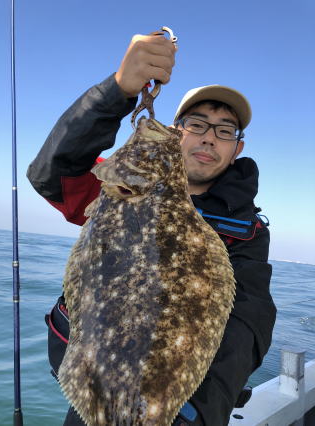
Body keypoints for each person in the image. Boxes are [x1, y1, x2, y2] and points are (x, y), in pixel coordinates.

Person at [27, 33, 276, 426]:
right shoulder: (116, 189)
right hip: (94, 389)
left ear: (237, 150)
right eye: (198, 123)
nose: (210, 136)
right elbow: (50, 173)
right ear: (177, 131)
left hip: (179, 412)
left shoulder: (246, 232)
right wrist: (117, 91)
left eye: (225, 130)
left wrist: (188, 415)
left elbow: (248, 326)